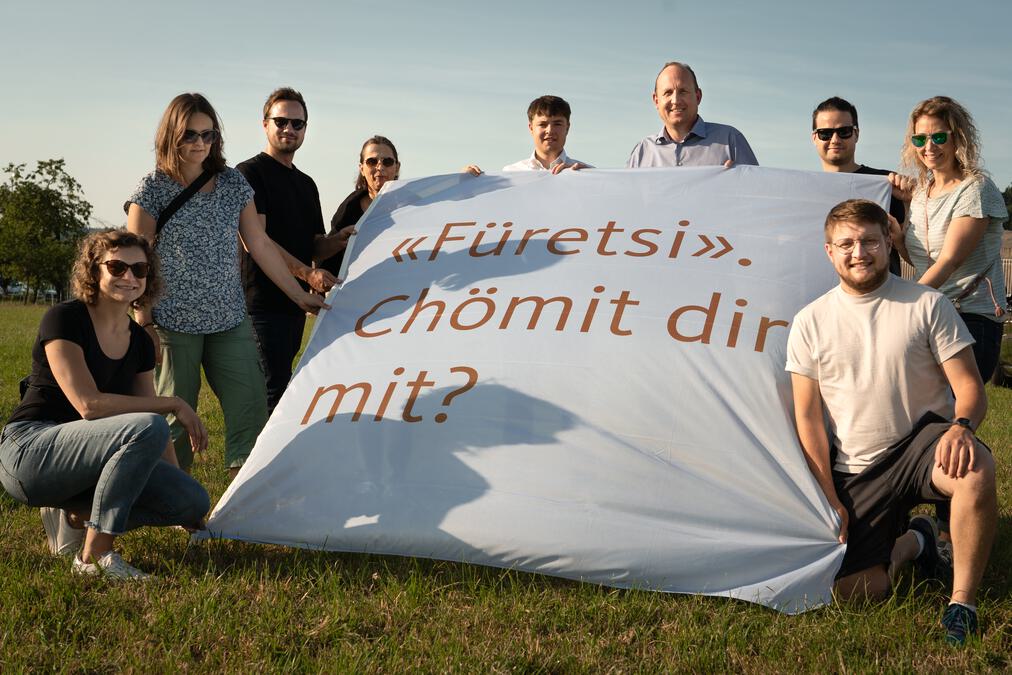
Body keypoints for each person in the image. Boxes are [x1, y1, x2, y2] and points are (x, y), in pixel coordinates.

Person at [786, 199, 996, 645]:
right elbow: (807, 417)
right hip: (858, 466)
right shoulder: (809, 321)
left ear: (887, 243)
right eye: (846, 244)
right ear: (829, 251)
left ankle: (962, 604)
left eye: (868, 241)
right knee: (856, 593)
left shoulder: (927, 303)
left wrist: (961, 427)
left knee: (974, 468)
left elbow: (970, 388)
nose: (858, 252)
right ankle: (918, 541)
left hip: (924, 444)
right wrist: (828, 496)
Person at [126, 93, 328, 479]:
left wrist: (298, 293)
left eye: (208, 134)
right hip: (172, 323)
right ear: (170, 135)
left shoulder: (233, 183)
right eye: (189, 135)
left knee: (250, 408)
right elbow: (137, 263)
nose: (200, 143)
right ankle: (175, 501)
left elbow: (260, 244)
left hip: (230, 319)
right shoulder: (151, 188)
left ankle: (244, 497)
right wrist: (144, 323)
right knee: (174, 417)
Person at [0, 229, 211, 579]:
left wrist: (180, 502)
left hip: (90, 460)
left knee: (191, 499)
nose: (129, 277)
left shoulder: (140, 343)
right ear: (94, 271)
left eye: (139, 270)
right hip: (31, 450)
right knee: (148, 423)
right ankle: (94, 559)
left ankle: (76, 514)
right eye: (117, 267)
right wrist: (173, 402)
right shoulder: (65, 318)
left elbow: (147, 415)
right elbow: (89, 405)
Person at [237, 87, 351, 413]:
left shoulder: (307, 184)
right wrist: (307, 274)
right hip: (261, 306)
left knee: (285, 388)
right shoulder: (249, 174)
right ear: (265, 124)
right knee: (269, 395)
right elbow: (255, 238)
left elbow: (314, 245)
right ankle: (259, 463)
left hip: (296, 308)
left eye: (297, 124)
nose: (289, 129)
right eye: (281, 121)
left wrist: (339, 239)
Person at [889, 96, 1008, 382]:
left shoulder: (976, 189)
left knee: (957, 413)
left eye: (939, 137)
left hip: (969, 318)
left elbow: (949, 261)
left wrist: (898, 304)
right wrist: (901, 241)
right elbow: (923, 262)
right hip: (932, 312)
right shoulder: (921, 192)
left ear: (959, 138)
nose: (928, 147)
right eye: (920, 139)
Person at [811, 96, 906, 274]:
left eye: (844, 131)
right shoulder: (803, 191)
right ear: (814, 138)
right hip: (824, 298)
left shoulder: (888, 185)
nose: (835, 139)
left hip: (881, 296)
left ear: (856, 134)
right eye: (825, 133)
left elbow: (913, 252)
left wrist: (910, 202)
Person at [626, 62, 758, 168]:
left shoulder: (731, 141)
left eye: (683, 91)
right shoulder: (642, 153)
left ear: (698, 96)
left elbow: (757, 193)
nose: (676, 100)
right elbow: (627, 198)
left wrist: (740, 178)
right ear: (656, 100)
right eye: (668, 92)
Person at [319, 136, 398, 276]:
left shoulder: (414, 206)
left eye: (387, 162)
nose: (380, 167)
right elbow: (328, 257)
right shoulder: (349, 209)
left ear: (397, 167)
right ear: (362, 168)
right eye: (372, 162)